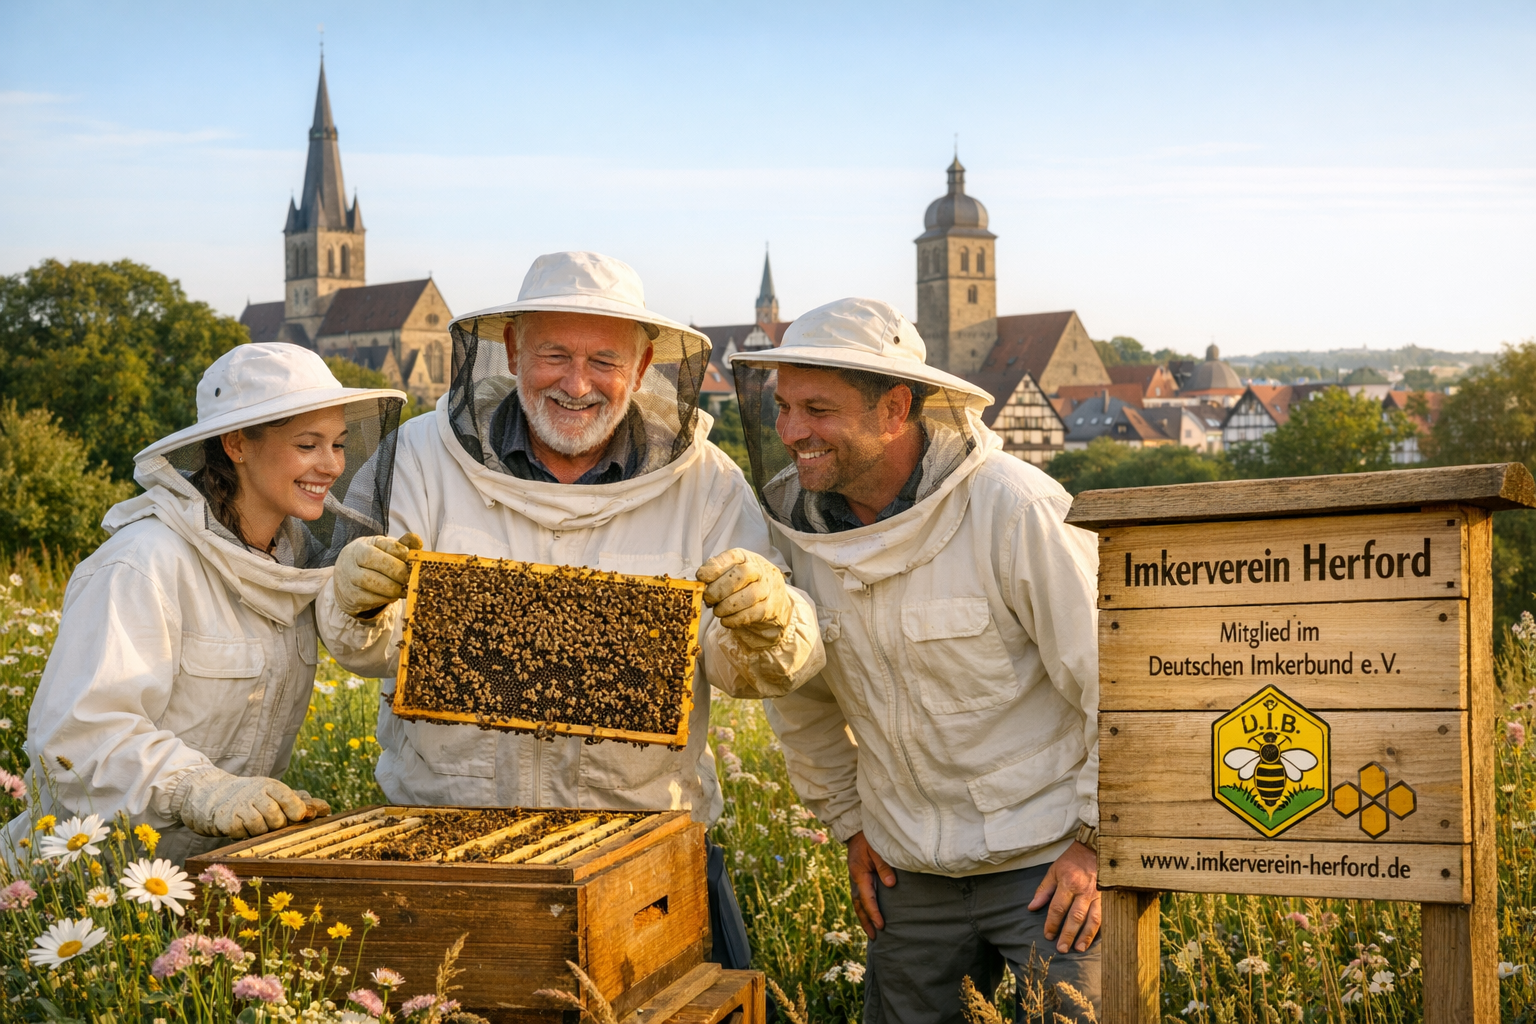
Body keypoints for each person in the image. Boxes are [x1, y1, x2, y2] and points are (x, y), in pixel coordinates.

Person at [316, 251, 825, 969]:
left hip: (640, 845)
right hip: (448, 841)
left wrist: (769, 620)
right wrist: (355, 603)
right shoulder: (422, 456)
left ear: (643, 366)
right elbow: (367, 648)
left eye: (603, 361)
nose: (577, 384)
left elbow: (745, 669)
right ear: (514, 350)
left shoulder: (706, 483)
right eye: (554, 354)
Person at [727, 297, 1102, 1022]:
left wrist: (1096, 843)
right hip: (908, 875)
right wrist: (850, 824)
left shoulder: (1014, 510)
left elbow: (1115, 688)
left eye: (818, 409)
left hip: (1050, 863)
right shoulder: (802, 539)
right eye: (783, 408)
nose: (792, 431)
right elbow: (800, 697)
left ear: (896, 407)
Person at [2, 343, 407, 866]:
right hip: (80, 890)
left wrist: (362, 602)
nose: (330, 465)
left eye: (338, 444)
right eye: (308, 444)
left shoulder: (294, 558)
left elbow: (365, 649)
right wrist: (199, 789)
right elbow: (77, 738)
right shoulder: (142, 563)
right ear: (238, 443)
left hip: (200, 886)